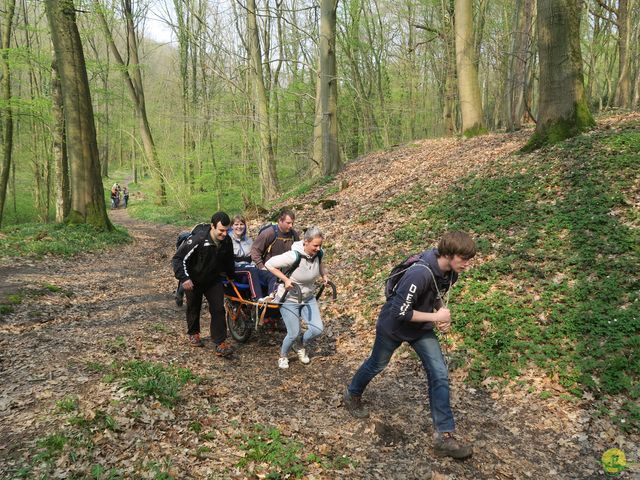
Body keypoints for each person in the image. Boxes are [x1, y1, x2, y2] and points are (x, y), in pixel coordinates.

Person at [343, 231, 477, 460]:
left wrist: (441, 313)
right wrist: (437, 318)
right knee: (377, 364)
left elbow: (436, 295)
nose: (467, 264)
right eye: (464, 259)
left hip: (420, 330)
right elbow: (401, 312)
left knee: (439, 374)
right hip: (393, 327)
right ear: (449, 254)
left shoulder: (451, 273)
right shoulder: (419, 274)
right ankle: (352, 394)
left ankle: (443, 438)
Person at [172, 211, 235, 356]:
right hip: (193, 280)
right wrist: (184, 278)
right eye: (221, 230)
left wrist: (231, 276)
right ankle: (194, 333)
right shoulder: (198, 239)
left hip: (213, 280)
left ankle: (220, 342)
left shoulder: (227, 241)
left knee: (218, 309)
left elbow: (229, 260)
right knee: (194, 307)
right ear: (212, 226)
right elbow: (178, 259)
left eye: (227, 230)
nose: (224, 234)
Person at [265, 226, 329, 369]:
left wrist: (324, 275)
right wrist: (285, 280)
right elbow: (269, 264)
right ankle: (283, 355)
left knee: (317, 329)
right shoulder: (293, 255)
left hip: (307, 297)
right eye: (315, 245)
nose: (318, 248)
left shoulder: (319, 253)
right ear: (306, 242)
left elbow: (321, 264)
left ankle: (299, 345)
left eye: (320, 245)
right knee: (293, 333)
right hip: (290, 299)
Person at [250, 208, 300, 299]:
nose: (291, 226)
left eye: (292, 223)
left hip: (287, 272)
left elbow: (300, 252)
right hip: (269, 271)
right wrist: (261, 266)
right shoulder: (268, 233)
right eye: (288, 223)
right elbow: (255, 251)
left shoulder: (294, 235)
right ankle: (271, 299)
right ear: (280, 221)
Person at [228, 215, 262, 301]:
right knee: (251, 270)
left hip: (250, 267)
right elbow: (227, 259)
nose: (239, 227)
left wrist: (254, 265)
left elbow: (254, 256)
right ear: (232, 226)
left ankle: (272, 299)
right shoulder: (227, 240)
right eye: (236, 224)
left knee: (267, 273)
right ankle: (258, 299)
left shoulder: (249, 240)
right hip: (235, 269)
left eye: (241, 224)